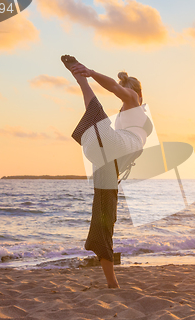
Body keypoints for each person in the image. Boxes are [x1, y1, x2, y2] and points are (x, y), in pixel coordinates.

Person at [61, 55, 152, 288]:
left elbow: (113, 87)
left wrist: (90, 72)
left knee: (104, 220)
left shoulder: (135, 101)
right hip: (107, 152)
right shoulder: (124, 117)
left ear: (137, 94)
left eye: (125, 93)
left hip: (111, 151)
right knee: (103, 221)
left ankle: (112, 283)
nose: (122, 98)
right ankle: (80, 79)